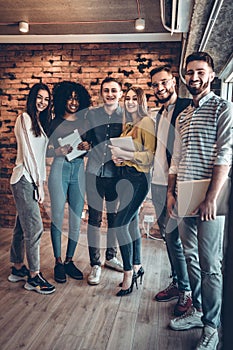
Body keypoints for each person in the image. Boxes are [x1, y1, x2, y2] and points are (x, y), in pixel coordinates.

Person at [167, 52, 232, 350]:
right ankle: (198, 311)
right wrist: (171, 191)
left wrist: (211, 198)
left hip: (210, 196)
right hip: (184, 191)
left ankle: (212, 326)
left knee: (210, 264)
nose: (194, 77)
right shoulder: (182, 116)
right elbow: (177, 160)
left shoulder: (223, 108)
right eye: (190, 72)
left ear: (212, 74)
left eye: (200, 72)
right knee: (190, 257)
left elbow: (225, 155)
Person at [150, 65, 192, 316]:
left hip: (174, 185)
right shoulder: (159, 114)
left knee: (178, 239)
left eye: (163, 82)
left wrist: (175, 188)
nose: (160, 88)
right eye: (155, 85)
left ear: (174, 81)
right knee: (168, 238)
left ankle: (186, 290)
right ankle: (177, 283)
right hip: (156, 184)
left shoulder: (187, 107)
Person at [8, 83, 55, 294]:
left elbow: (40, 155)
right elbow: (28, 156)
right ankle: (33, 277)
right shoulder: (24, 118)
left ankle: (18, 267)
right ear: (32, 97)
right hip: (24, 179)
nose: (42, 102)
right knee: (35, 227)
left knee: (22, 226)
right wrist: (39, 185)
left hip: (31, 179)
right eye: (39, 97)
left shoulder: (39, 122)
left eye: (46, 99)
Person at [110, 86, 156, 296]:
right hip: (126, 178)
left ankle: (128, 273)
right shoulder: (129, 125)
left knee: (120, 225)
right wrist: (118, 158)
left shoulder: (146, 122)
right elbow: (126, 153)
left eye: (134, 98)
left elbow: (150, 157)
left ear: (141, 101)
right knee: (131, 224)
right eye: (127, 98)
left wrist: (127, 156)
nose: (129, 102)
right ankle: (137, 266)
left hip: (138, 180)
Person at [47, 81, 91, 283]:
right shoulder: (53, 121)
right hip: (60, 167)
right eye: (69, 97)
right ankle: (57, 261)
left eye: (76, 98)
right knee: (56, 216)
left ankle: (69, 260)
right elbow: (44, 149)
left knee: (76, 217)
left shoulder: (84, 121)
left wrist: (87, 145)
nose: (73, 102)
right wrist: (58, 151)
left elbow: (90, 144)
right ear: (63, 98)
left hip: (78, 169)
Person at [85, 77, 124, 285]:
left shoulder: (126, 115)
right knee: (94, 219)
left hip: (115, 175)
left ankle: (111, 257)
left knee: (114, 219)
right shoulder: (93, 114)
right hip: (93, 173)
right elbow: (88, 138)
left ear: (120, 93)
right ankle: (95, 264)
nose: (110, 94)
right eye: (106, 90)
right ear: (102, 93)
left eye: (113, 90)